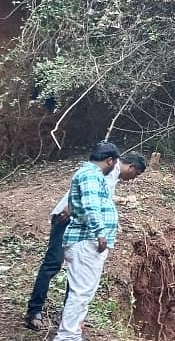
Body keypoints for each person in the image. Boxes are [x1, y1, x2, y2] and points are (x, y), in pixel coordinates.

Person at [24, 148, 147, 331]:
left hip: (83, 225)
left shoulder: (111, 175)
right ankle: (34, 311)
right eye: (135, 174)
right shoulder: (106, 170)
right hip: (68, 219)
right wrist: (74, 210)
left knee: (78, 272)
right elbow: (89, 198)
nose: (133, 179)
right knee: (53, 264)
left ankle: (69, 316)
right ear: (129, 166)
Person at [52, 142, 121, 340]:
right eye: (114, 164)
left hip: (87, 241)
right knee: (81, 292)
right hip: (86, 241)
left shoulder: (87, 174)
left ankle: (72, 333)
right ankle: (67, 336)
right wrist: (100, 232)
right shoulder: (91, 175)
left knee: (84, 291)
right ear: (110, 161)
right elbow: (91, 205)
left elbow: (76, 205)